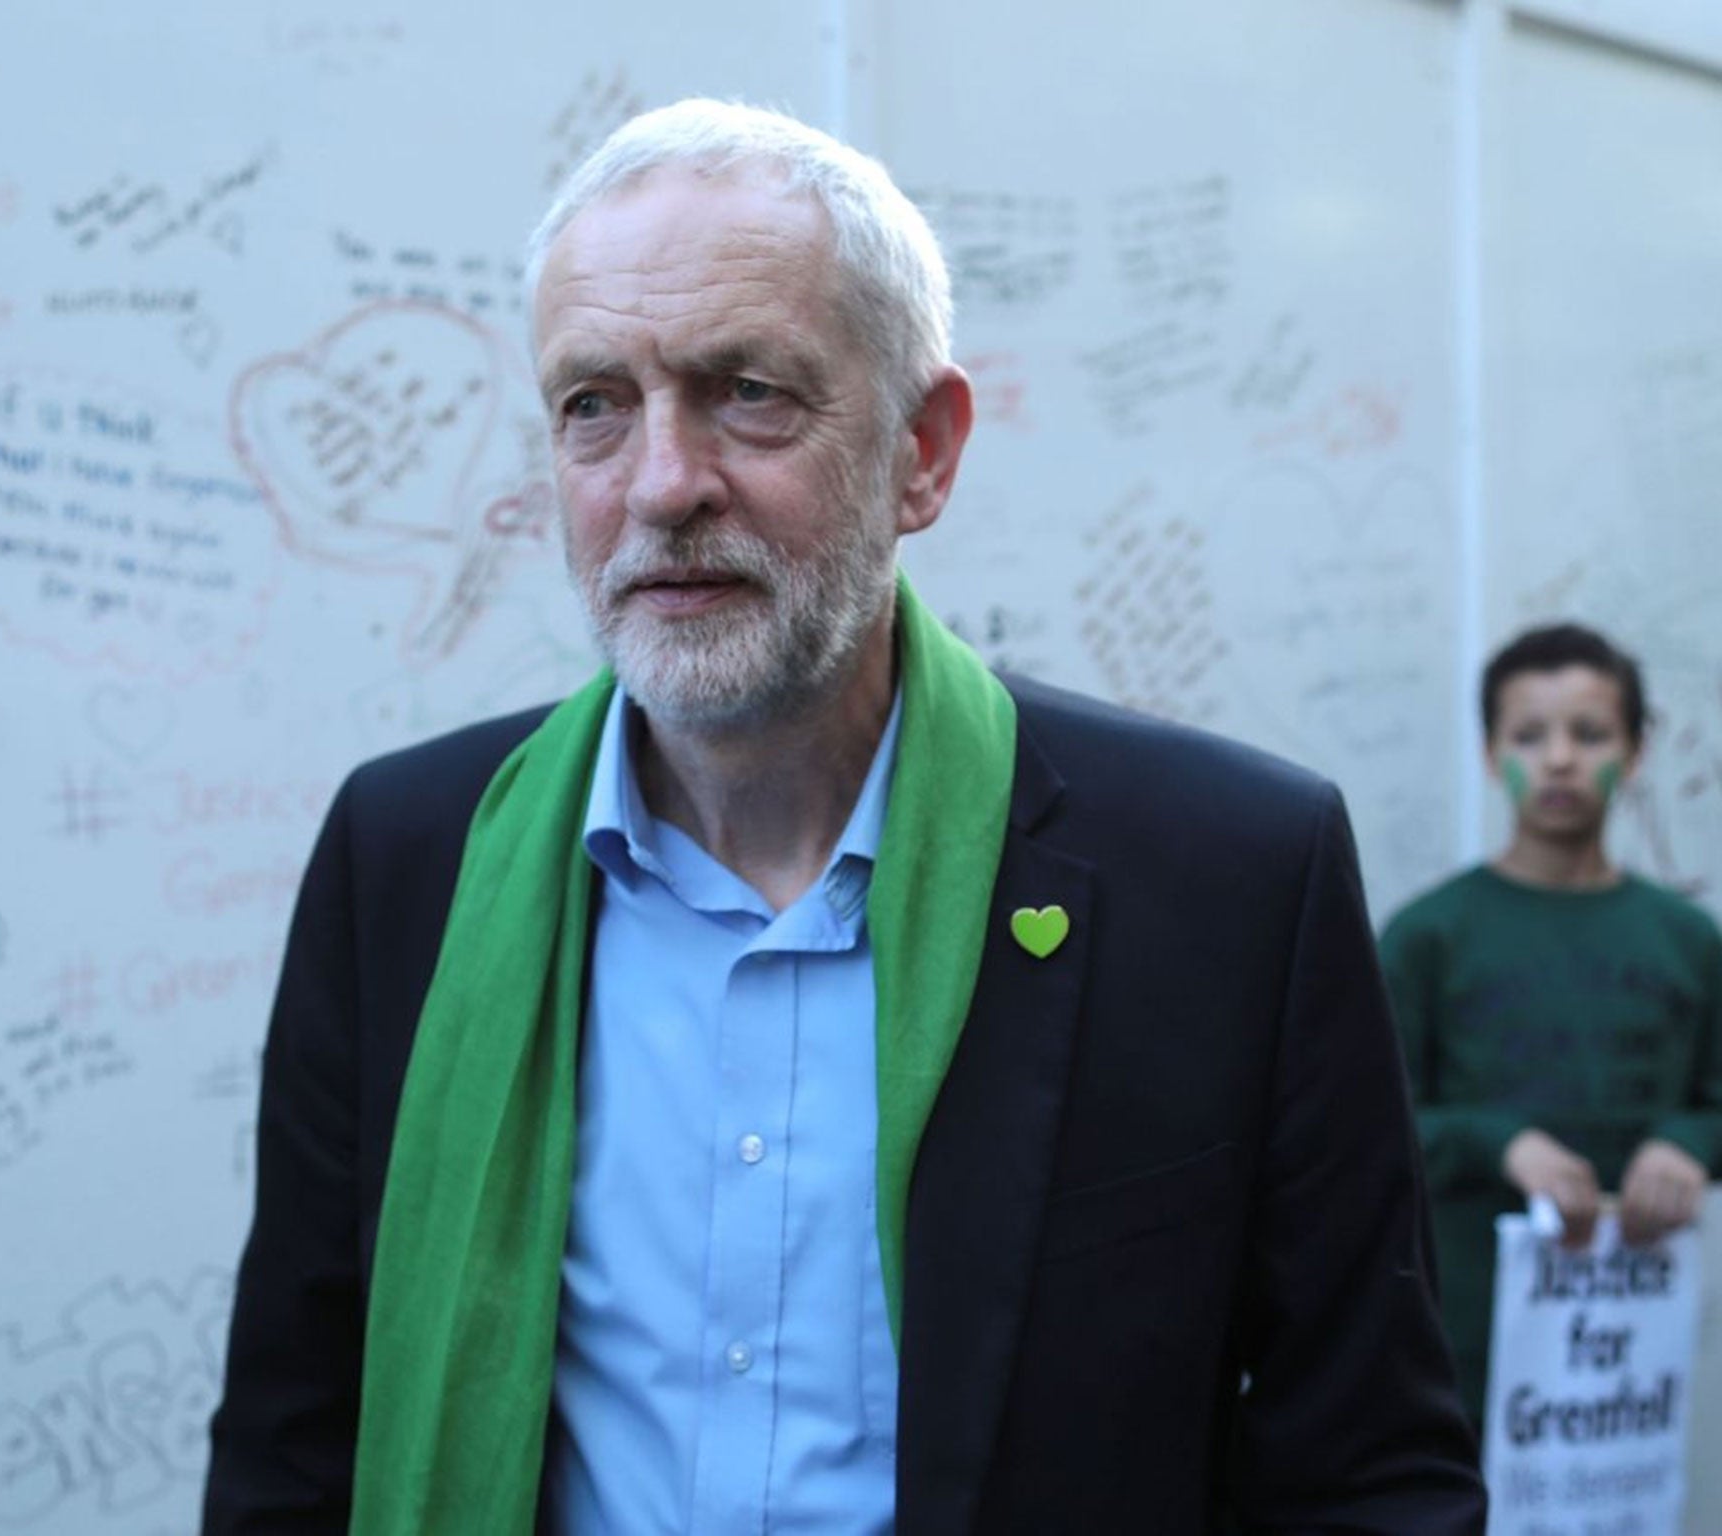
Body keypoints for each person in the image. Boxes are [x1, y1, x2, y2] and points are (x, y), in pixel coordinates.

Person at [203, 98, 1484, 1535]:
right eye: (594, 406)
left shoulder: (1232, 879)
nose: (664, 484)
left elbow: (1369, 1476)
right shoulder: (409, 859)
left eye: (748, 389)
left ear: (923, 451)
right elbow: (292, 1442)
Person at [1380, 623, 1722, 1430]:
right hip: (1457, 1341)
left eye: (1591, 733)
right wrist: (1497, 1142)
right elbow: (1363, 1129)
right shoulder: (1428, 936)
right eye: (1529, 735)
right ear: (1489, 752)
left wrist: (1691, 1145)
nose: (1561, 758)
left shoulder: (1688, 940)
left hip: (1626, 1363)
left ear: (1635, 753)